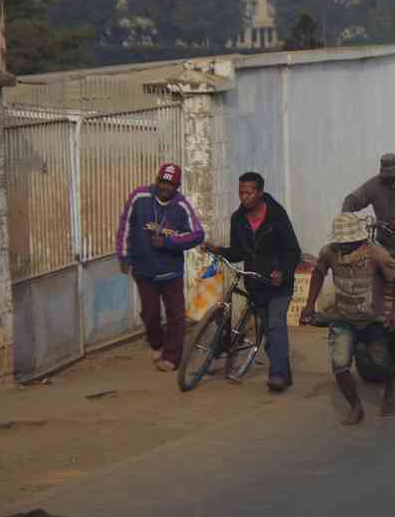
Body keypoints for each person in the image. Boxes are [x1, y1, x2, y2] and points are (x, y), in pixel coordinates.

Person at [300, 213, 395, 425]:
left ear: (358, 238)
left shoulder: (376, 253)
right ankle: (356, 406)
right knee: (339, 365)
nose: (345, 247)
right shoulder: (329, 252)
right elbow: (319, 273)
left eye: (349, 243)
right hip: (343, 317)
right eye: (341, 243)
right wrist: (310, 305)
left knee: (381, 361)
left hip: (371, 318)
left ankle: (389, 391)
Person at [203, 172, 300, 393]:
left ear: (260, 192)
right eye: (240, 192)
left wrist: (282, 273)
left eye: (248, 192)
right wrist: (219, 250)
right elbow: (238, 252)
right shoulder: (238, 219)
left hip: (278, 284)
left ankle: (277, 375)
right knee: (268, 328)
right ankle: (283, 370)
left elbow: (293, 250)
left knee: (275, 324)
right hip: (255, 282)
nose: (243, 197)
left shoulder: (277, 215)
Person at [116, 163, 204, 371]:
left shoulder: (182, 206)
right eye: (162, 182)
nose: (165, 188)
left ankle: (171, 357)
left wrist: (168, 242)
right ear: (156, 181)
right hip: (143, 268)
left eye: (171, 184)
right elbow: (125, 225)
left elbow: (197, 234)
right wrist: (123, 256)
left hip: (171, 270)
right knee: (150, 314)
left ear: (177, 186)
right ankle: (157, 343)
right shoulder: (139, 197)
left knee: (176, 314)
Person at [342, 153, 395, 253]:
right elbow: (353, 199)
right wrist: (346, 213)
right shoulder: (374, 185)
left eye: (391, 176)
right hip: (384, 243)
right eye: (386, 176)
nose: (388, 179)